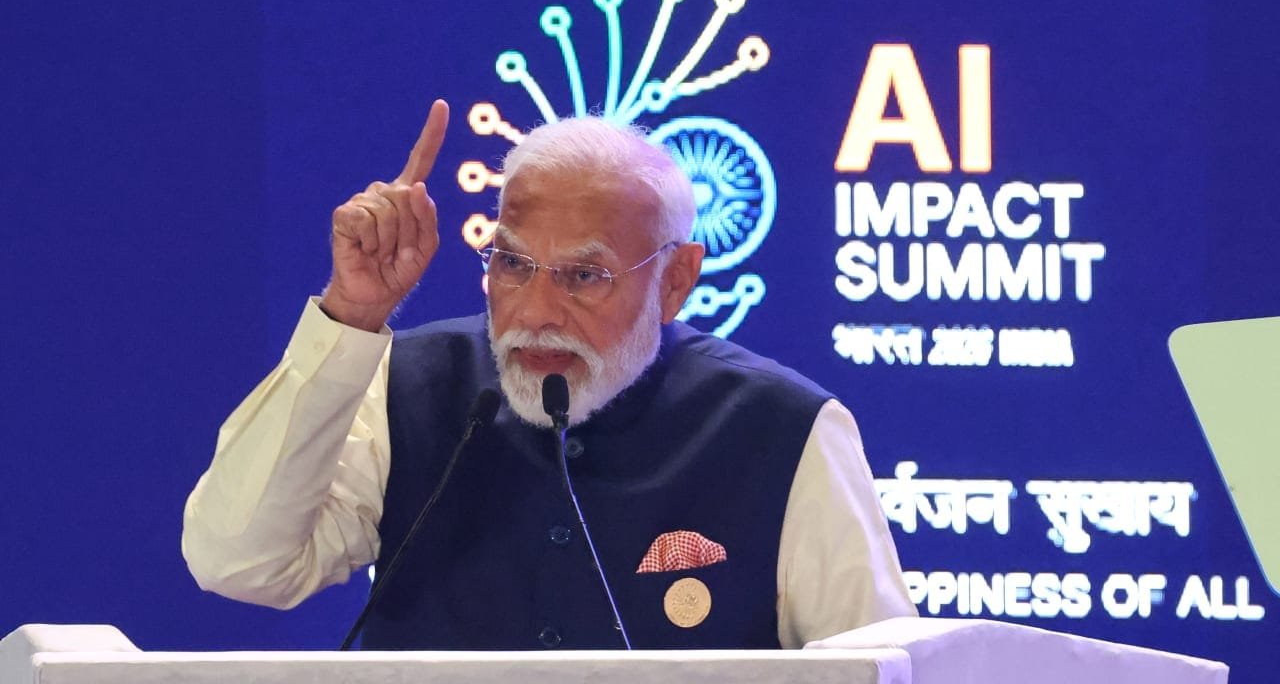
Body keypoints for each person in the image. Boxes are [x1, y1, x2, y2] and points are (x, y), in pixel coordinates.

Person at [182, 100, 915, 650]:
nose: (536, 312)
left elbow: (882, 669)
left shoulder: (783, 430)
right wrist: (352, 315)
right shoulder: (408, 384)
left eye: (584, 275)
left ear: (675, 280)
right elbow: (237, 562)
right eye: (512, 263)